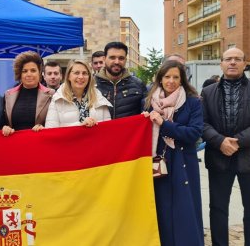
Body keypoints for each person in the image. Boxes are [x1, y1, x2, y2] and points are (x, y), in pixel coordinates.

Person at [144, 60, 204, 246]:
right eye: (167, 76)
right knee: (161, 207)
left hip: (183, 160)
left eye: (175, 77)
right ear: (160, 79)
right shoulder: (147, 103)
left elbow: (194, 133)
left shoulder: (193, 102)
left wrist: (164, 124)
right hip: (158, 161)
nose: (171, 81)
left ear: (182, 79)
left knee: (184, 207)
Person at [201, 47, 250, 246]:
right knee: (218, 209)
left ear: (245, 64)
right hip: (218, 157)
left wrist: (237, 141)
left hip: (248, 157)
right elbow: (201, 123)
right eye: (228, 59)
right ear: (221, 63)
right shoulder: (207, 91)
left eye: (237, 59)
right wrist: (219, 141)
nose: (232, 62)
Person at [2, 51, 55, 136]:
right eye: (25, 71)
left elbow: (55, 123)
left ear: (40, 73)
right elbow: (3, 122)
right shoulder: (8, 95)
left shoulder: (51, 95)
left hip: (40, 143)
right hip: (15, 145)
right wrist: (5, 127)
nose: (29, 74)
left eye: (33, 70)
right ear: (20, 74)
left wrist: (45, 128)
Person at [45, 60, 111, 127]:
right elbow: (51, 131)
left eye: (85, 73)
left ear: (89, 77)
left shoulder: (99, 98)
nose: (81, 77)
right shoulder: (58, 99)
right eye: (76, 73)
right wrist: (80, 126)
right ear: (68, 76)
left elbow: (108, 129)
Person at [96, 41, 146, 119]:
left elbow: (146, 111)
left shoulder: (138, 84)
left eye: (121, 58)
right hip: (101, 131)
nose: (117, 62)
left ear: (126, 59)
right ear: (104, 59)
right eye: (112, 57)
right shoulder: (92, 85)